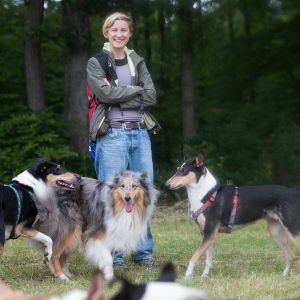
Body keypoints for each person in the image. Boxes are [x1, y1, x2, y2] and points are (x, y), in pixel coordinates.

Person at [86, 12, 160, 268]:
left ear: (129, 33)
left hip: (140, 132)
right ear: (107, 32)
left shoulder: (136, 61)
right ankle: (114, 257)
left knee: (143, 193)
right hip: (112, 134)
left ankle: (143, 253)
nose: (119, 34)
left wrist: (123, 93)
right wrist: (135, 91)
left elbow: (150, 96)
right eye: (114, 29)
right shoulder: (96, 62)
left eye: (124, 30)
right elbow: (104, 95)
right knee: (111, 197)